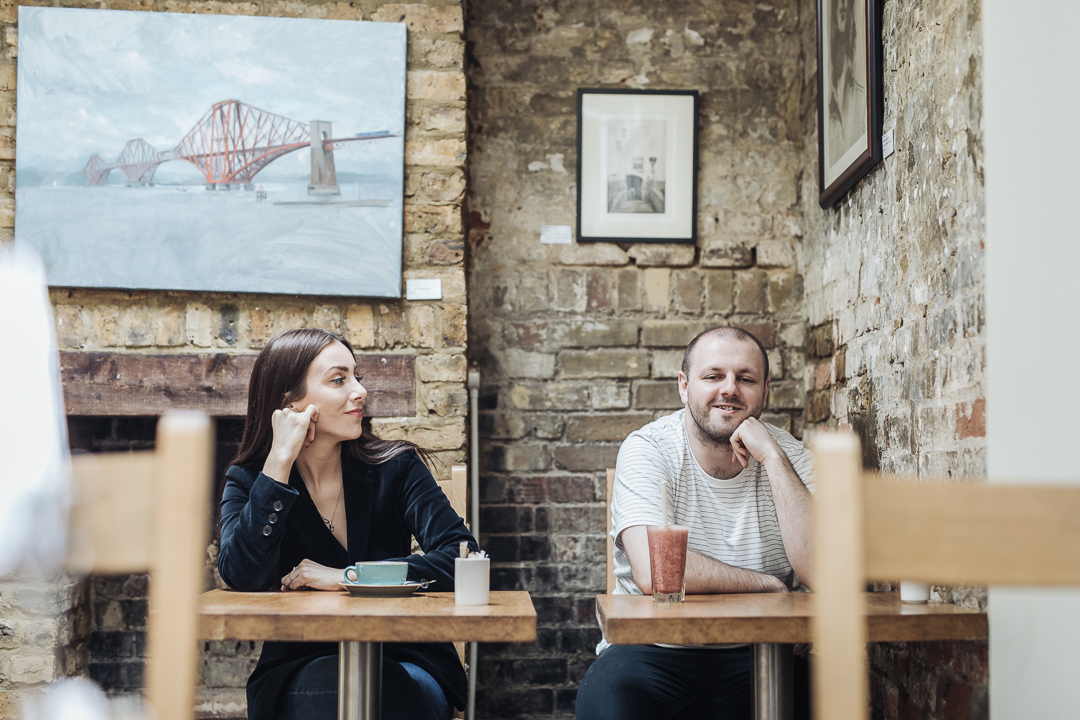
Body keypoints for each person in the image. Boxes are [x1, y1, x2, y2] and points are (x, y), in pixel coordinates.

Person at [218, 328, 476, 720]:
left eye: (357, 377)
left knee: (382, 691)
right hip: (303, 663)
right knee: (336, 694)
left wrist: (349, 576)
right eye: (339, 380)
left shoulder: (396, 467)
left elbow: (463, 557)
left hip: (407, 659)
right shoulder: (251, 481)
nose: (359, 391)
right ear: (290, 404)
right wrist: (277, 464)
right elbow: (242, 575)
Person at [576, 326, 814, 720]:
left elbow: (827, 574)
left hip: (763, 651)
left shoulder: (790, 457)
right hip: (651, 651)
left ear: (766, 390)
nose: (730, 389)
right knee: (606, 702)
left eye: (746, 378)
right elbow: (657, 572)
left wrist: (772, 458)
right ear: (684, 386)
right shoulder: (649, 448)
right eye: (713, 376)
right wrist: (767, 585)